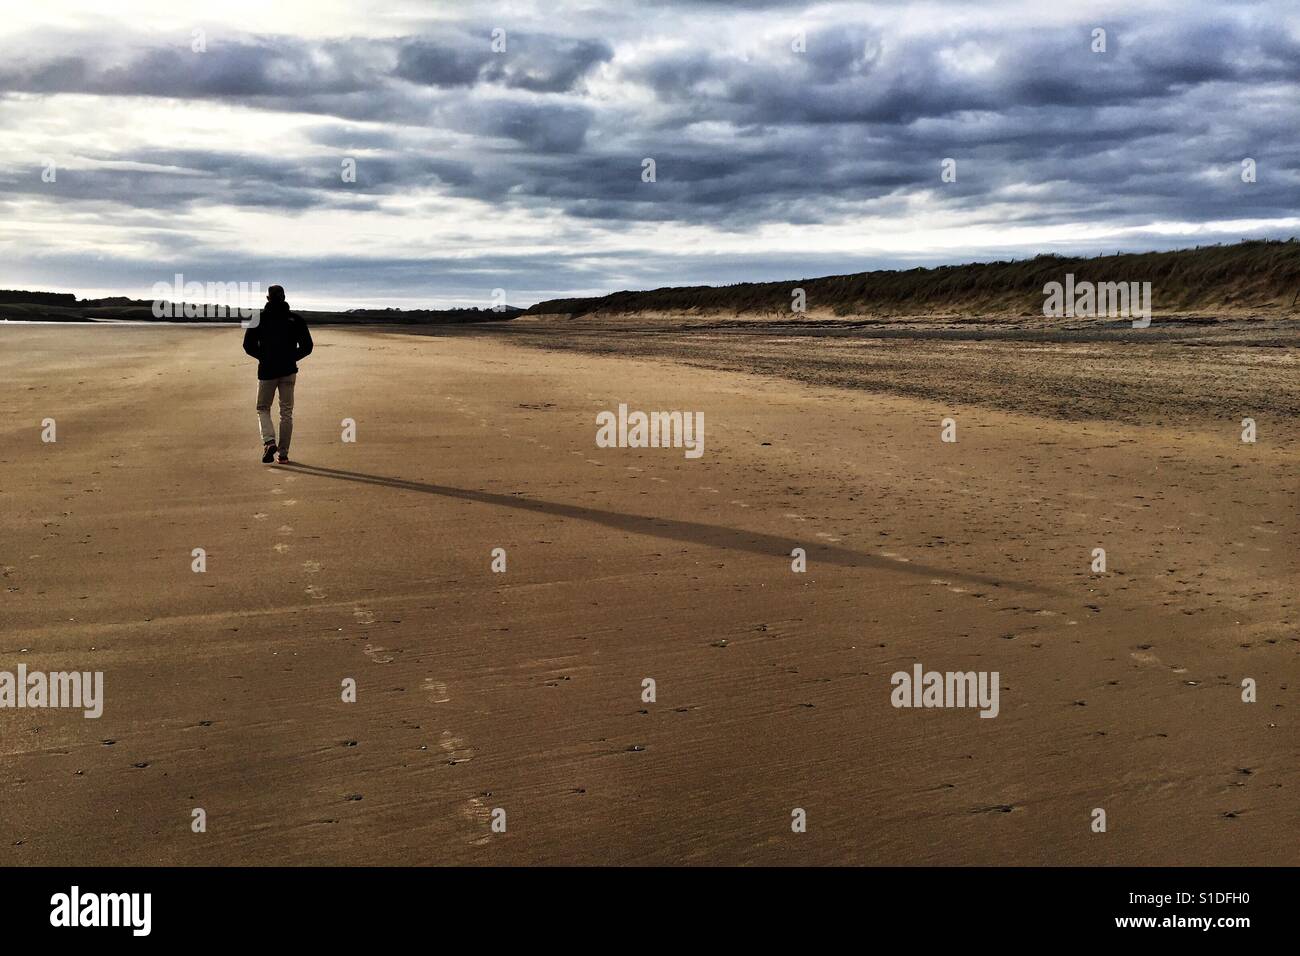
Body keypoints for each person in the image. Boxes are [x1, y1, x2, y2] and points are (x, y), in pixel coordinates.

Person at [243, 285, 313, 464]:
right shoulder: (295, 319)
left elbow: (248, 346)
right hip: (288, 370)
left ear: (268, 298)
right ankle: (283, 454)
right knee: (286, 413)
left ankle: (269, 441)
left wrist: (264, 357)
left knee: (263, 408)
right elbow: (307, 347)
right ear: (284, 297)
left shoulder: (259, 318)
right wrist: (291, 358)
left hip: (267, 371)